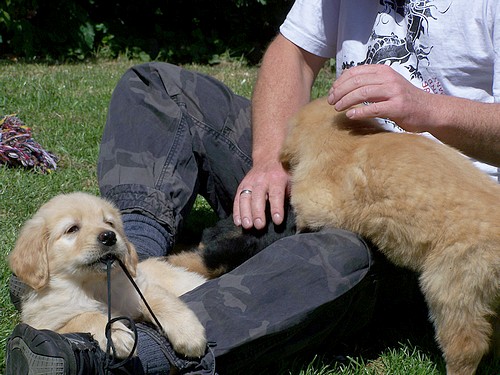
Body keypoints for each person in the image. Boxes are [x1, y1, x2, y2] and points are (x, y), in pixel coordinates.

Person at [6, 0, 500, 374]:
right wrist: (268, 158)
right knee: (157, 88)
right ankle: (124, 261)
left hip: (429, 217)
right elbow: (293, 52)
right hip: (321, 155)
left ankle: (123, 355)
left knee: (328, 257)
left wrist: (431, 110)